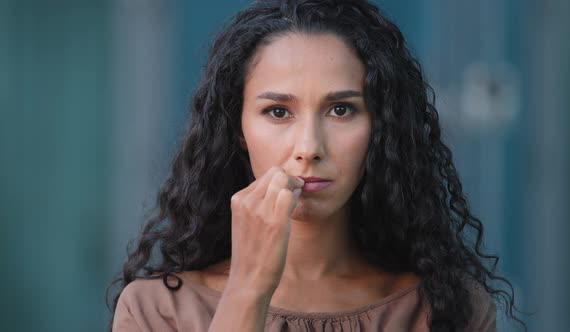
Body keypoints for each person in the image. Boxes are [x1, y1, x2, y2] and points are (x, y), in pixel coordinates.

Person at [107, 0, 525, 331]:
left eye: (341, 110)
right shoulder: (157, 311)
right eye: (277, 112)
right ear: (237, 129)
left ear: (380, 128)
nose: (309, 147)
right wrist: (249, 289)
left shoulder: (445, 311)